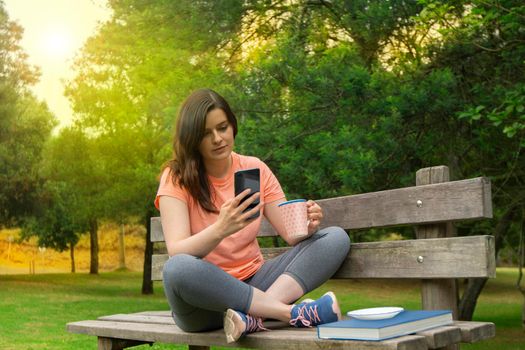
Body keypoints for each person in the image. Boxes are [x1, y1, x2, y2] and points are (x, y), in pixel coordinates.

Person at [155, 88, 350, 343]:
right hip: (203, 306)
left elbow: (292, 236)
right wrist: (221, 228)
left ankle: (251, 319)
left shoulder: (255, 168)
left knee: (335, 237)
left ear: (232, 126)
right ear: (192, 138)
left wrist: (308, 224)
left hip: (256, 283)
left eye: (222, 127)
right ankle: (287, 313)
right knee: (177, 268)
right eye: (206, 133)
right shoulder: (176, 177)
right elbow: (177, 249)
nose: (217, 138)